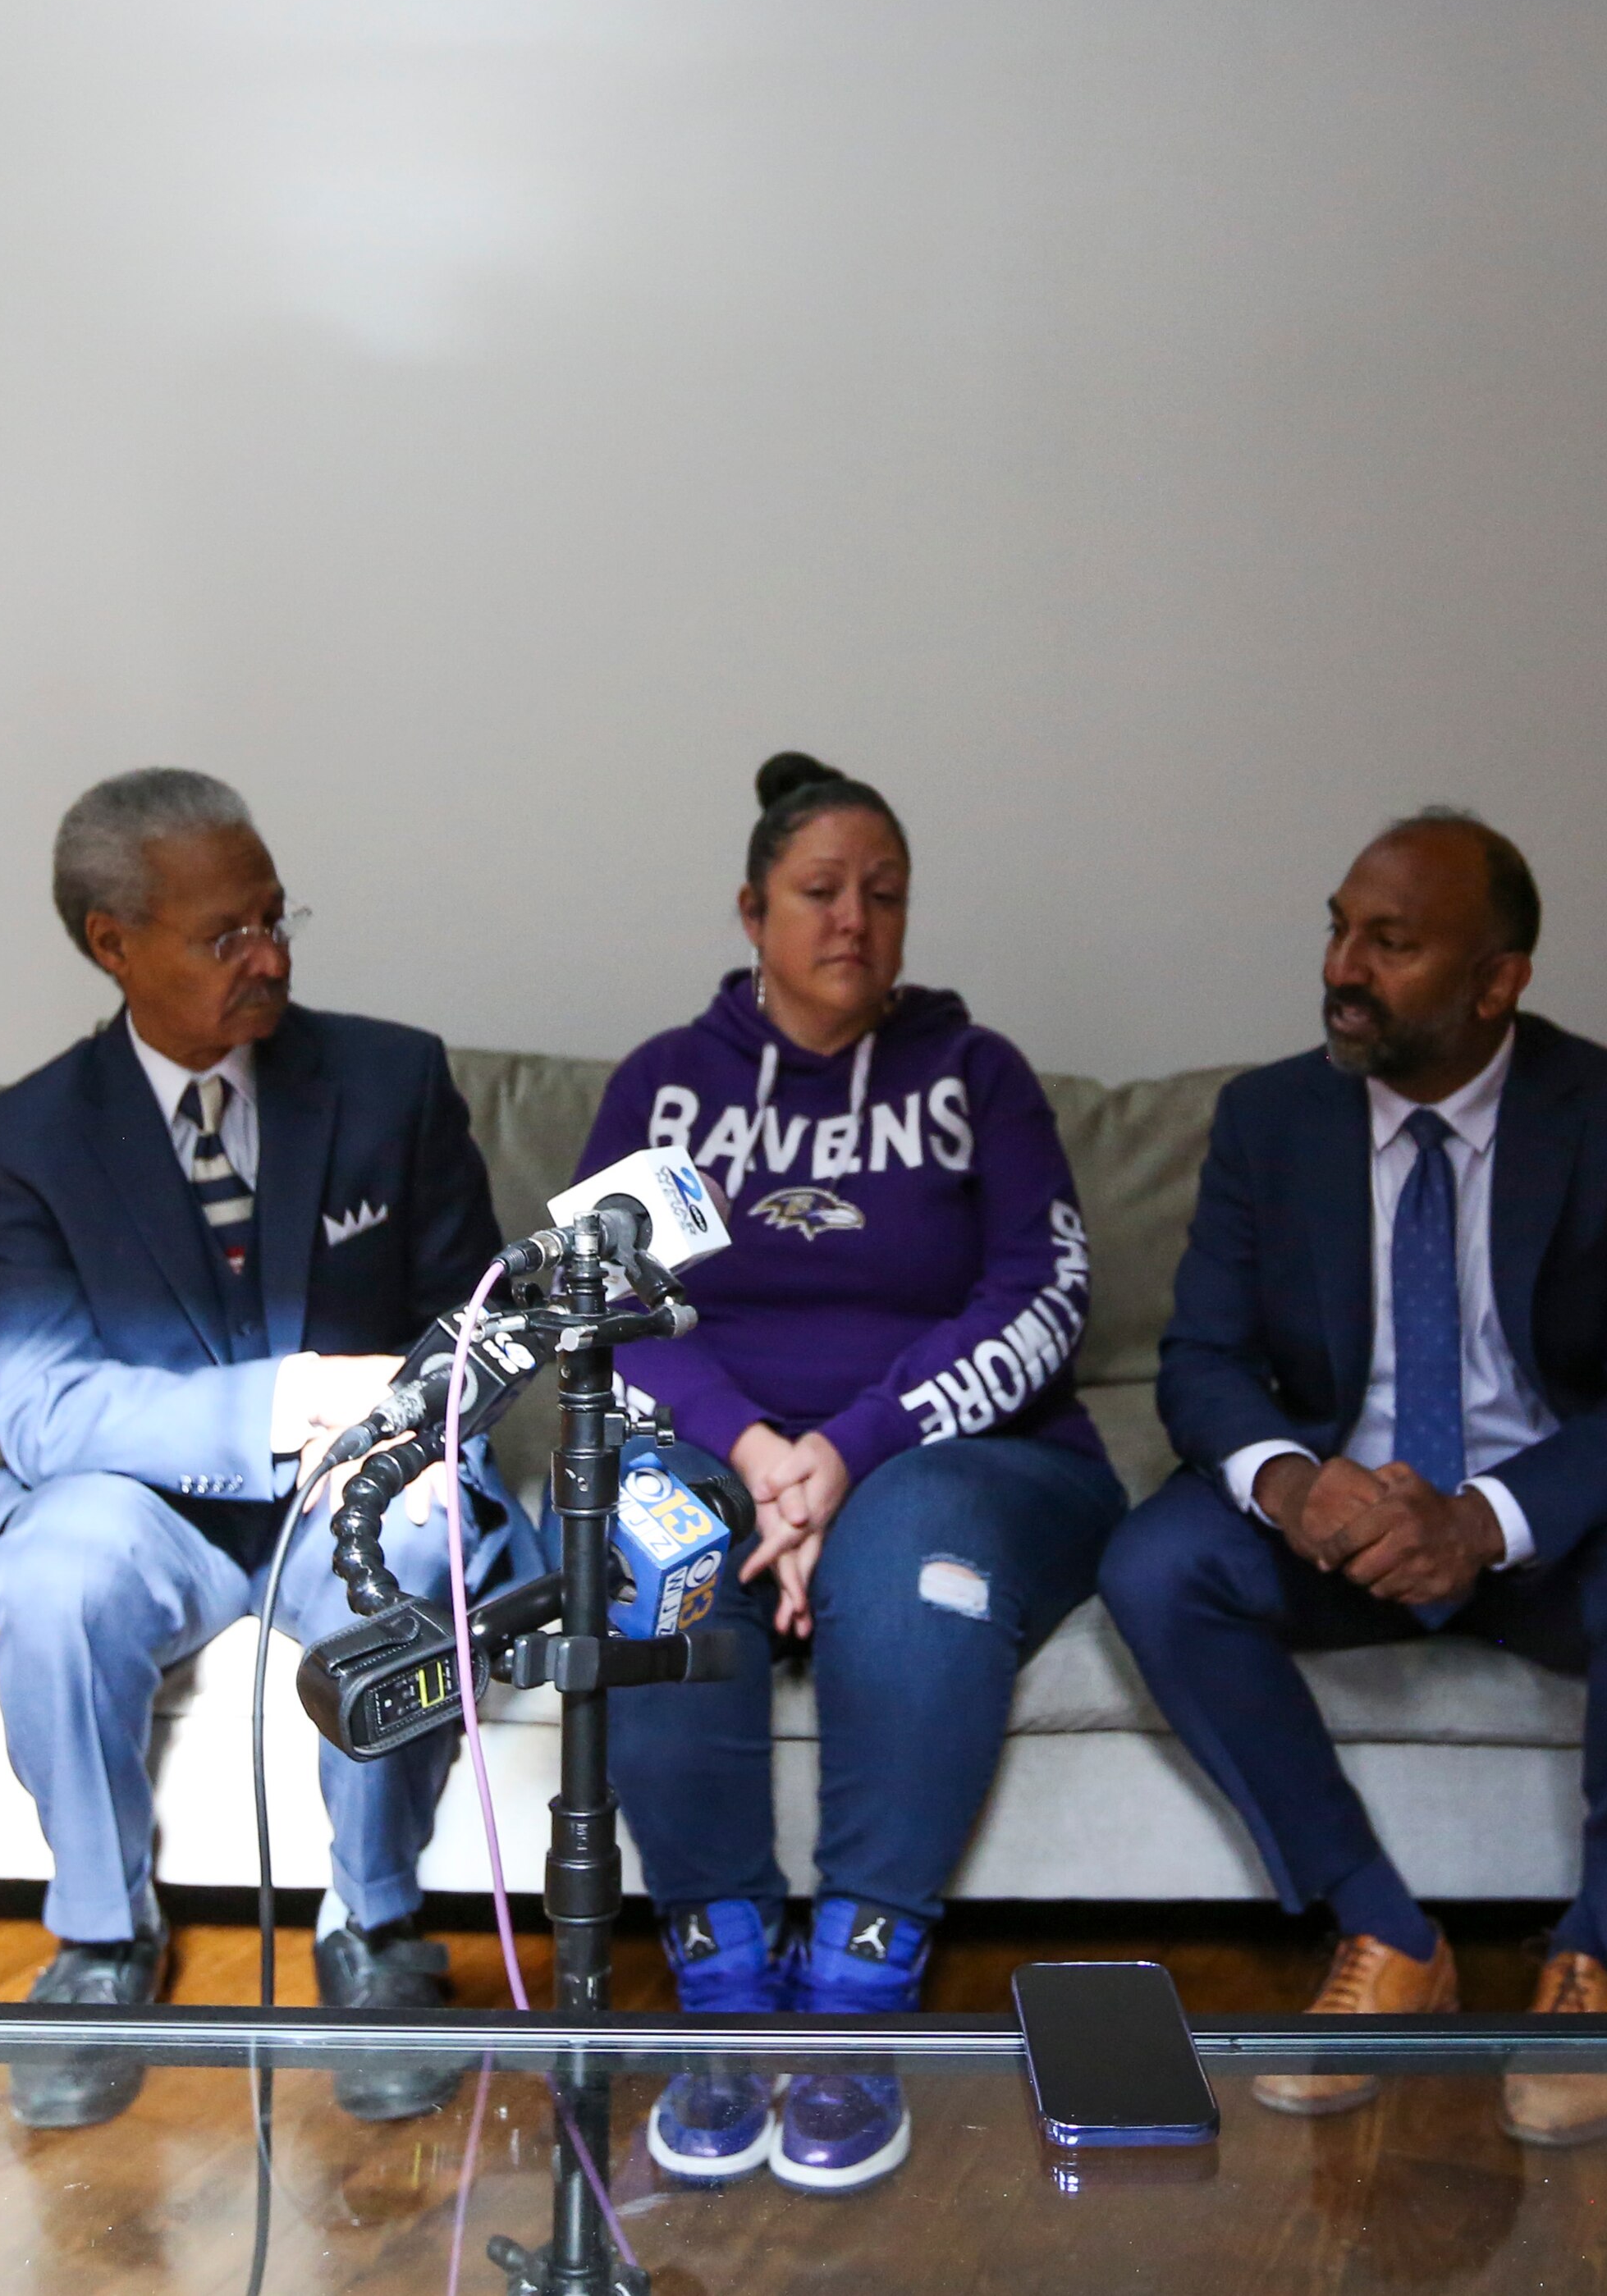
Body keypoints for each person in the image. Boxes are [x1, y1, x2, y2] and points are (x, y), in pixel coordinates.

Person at [1100, 810, 1607, 2150]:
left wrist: (1486, 1520)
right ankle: (1386, 1933)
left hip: (1554, 1524)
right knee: (1153, 1565)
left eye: (1389, 942)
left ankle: (1597, 1960)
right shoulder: (1270, 1117)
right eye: (1338, 927)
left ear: (1496, 979)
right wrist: (1294, 1485)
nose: (1343, 965)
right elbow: (1202, 1363)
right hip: (1344, 1525)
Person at [577, 752, 1115, 2197]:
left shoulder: (974, 1076)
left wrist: (850, 1453)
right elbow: (610, 1310)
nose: (856, 922)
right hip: (723, 1447)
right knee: (649, 1544)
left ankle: (863, 1990)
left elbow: (1042, 1296)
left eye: (886, 895)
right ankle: (727, 1974)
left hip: (961, 1454)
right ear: (752, 909)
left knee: (915, 1556)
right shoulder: (668, 1088)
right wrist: (758, 1457)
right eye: (820, 893)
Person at [0, 768, 524, 2133]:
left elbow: (478, 1320)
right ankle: (100, 1940)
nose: (267, 957)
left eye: (276, 919)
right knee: (58, 1576)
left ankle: (376, 1929)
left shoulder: (391, 1078)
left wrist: (428, 1432)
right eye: (226, 936)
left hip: (352, 1488)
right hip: (141, 1500)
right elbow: (38, 1404)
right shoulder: (22, 1139)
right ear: (113, 944)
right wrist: (282, 1401)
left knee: (422, 1541)